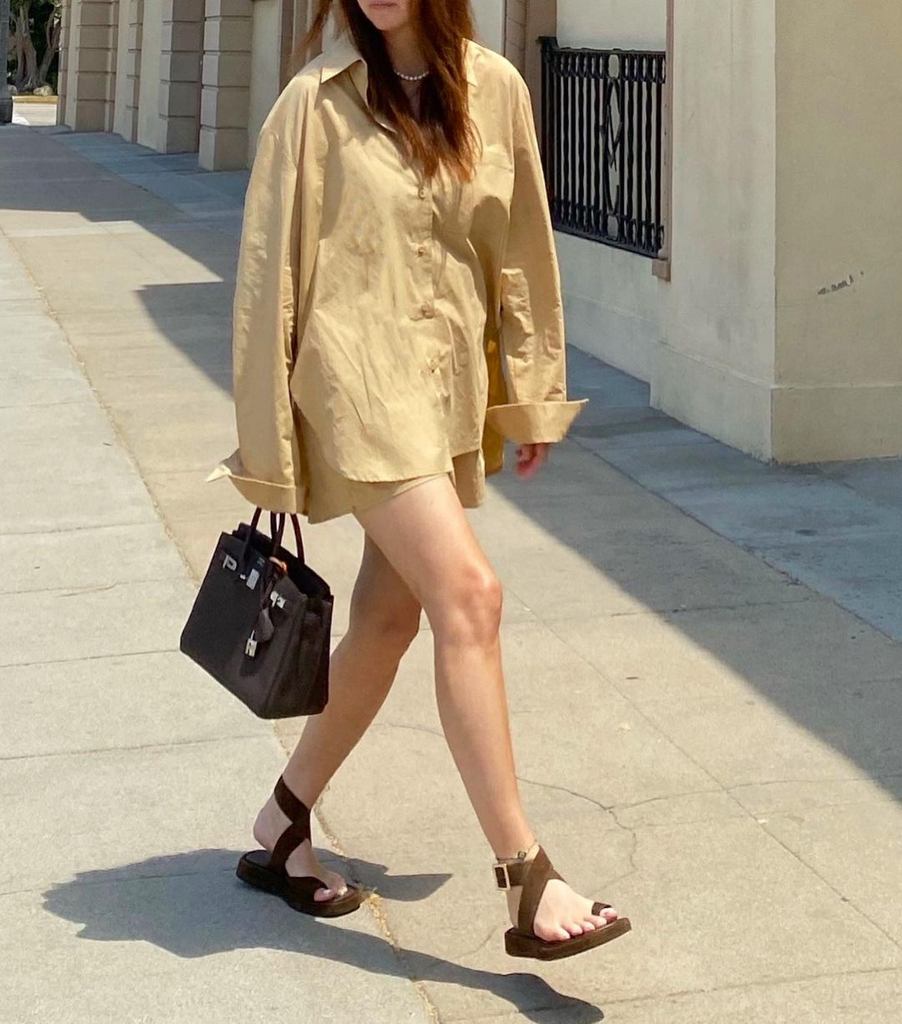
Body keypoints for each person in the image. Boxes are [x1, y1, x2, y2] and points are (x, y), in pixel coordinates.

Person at [210, 0, 631, 961]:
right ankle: (527, 876)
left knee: (390, 623)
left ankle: (281, 825)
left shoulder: (496, 90)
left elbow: (521, 250)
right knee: (471, 596)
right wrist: (268, 447)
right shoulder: (314, 105)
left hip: (439, 391)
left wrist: (529, 392)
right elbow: (266, 273)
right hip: (354, 387)